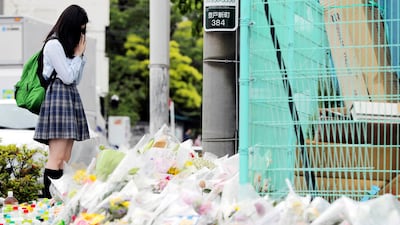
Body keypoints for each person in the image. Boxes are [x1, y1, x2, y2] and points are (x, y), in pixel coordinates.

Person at [33, 4, 90, 199]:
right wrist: (78, 55)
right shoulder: (54, 45)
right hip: (58, 97)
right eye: (80, 29)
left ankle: (59, 199)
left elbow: (76, 79)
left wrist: (78, 57)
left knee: (65, 159)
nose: (81, 34)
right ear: (71, 25)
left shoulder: (66, 48)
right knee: (56, 158)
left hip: (68, 97)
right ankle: (50, 200)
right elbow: (66, 77)